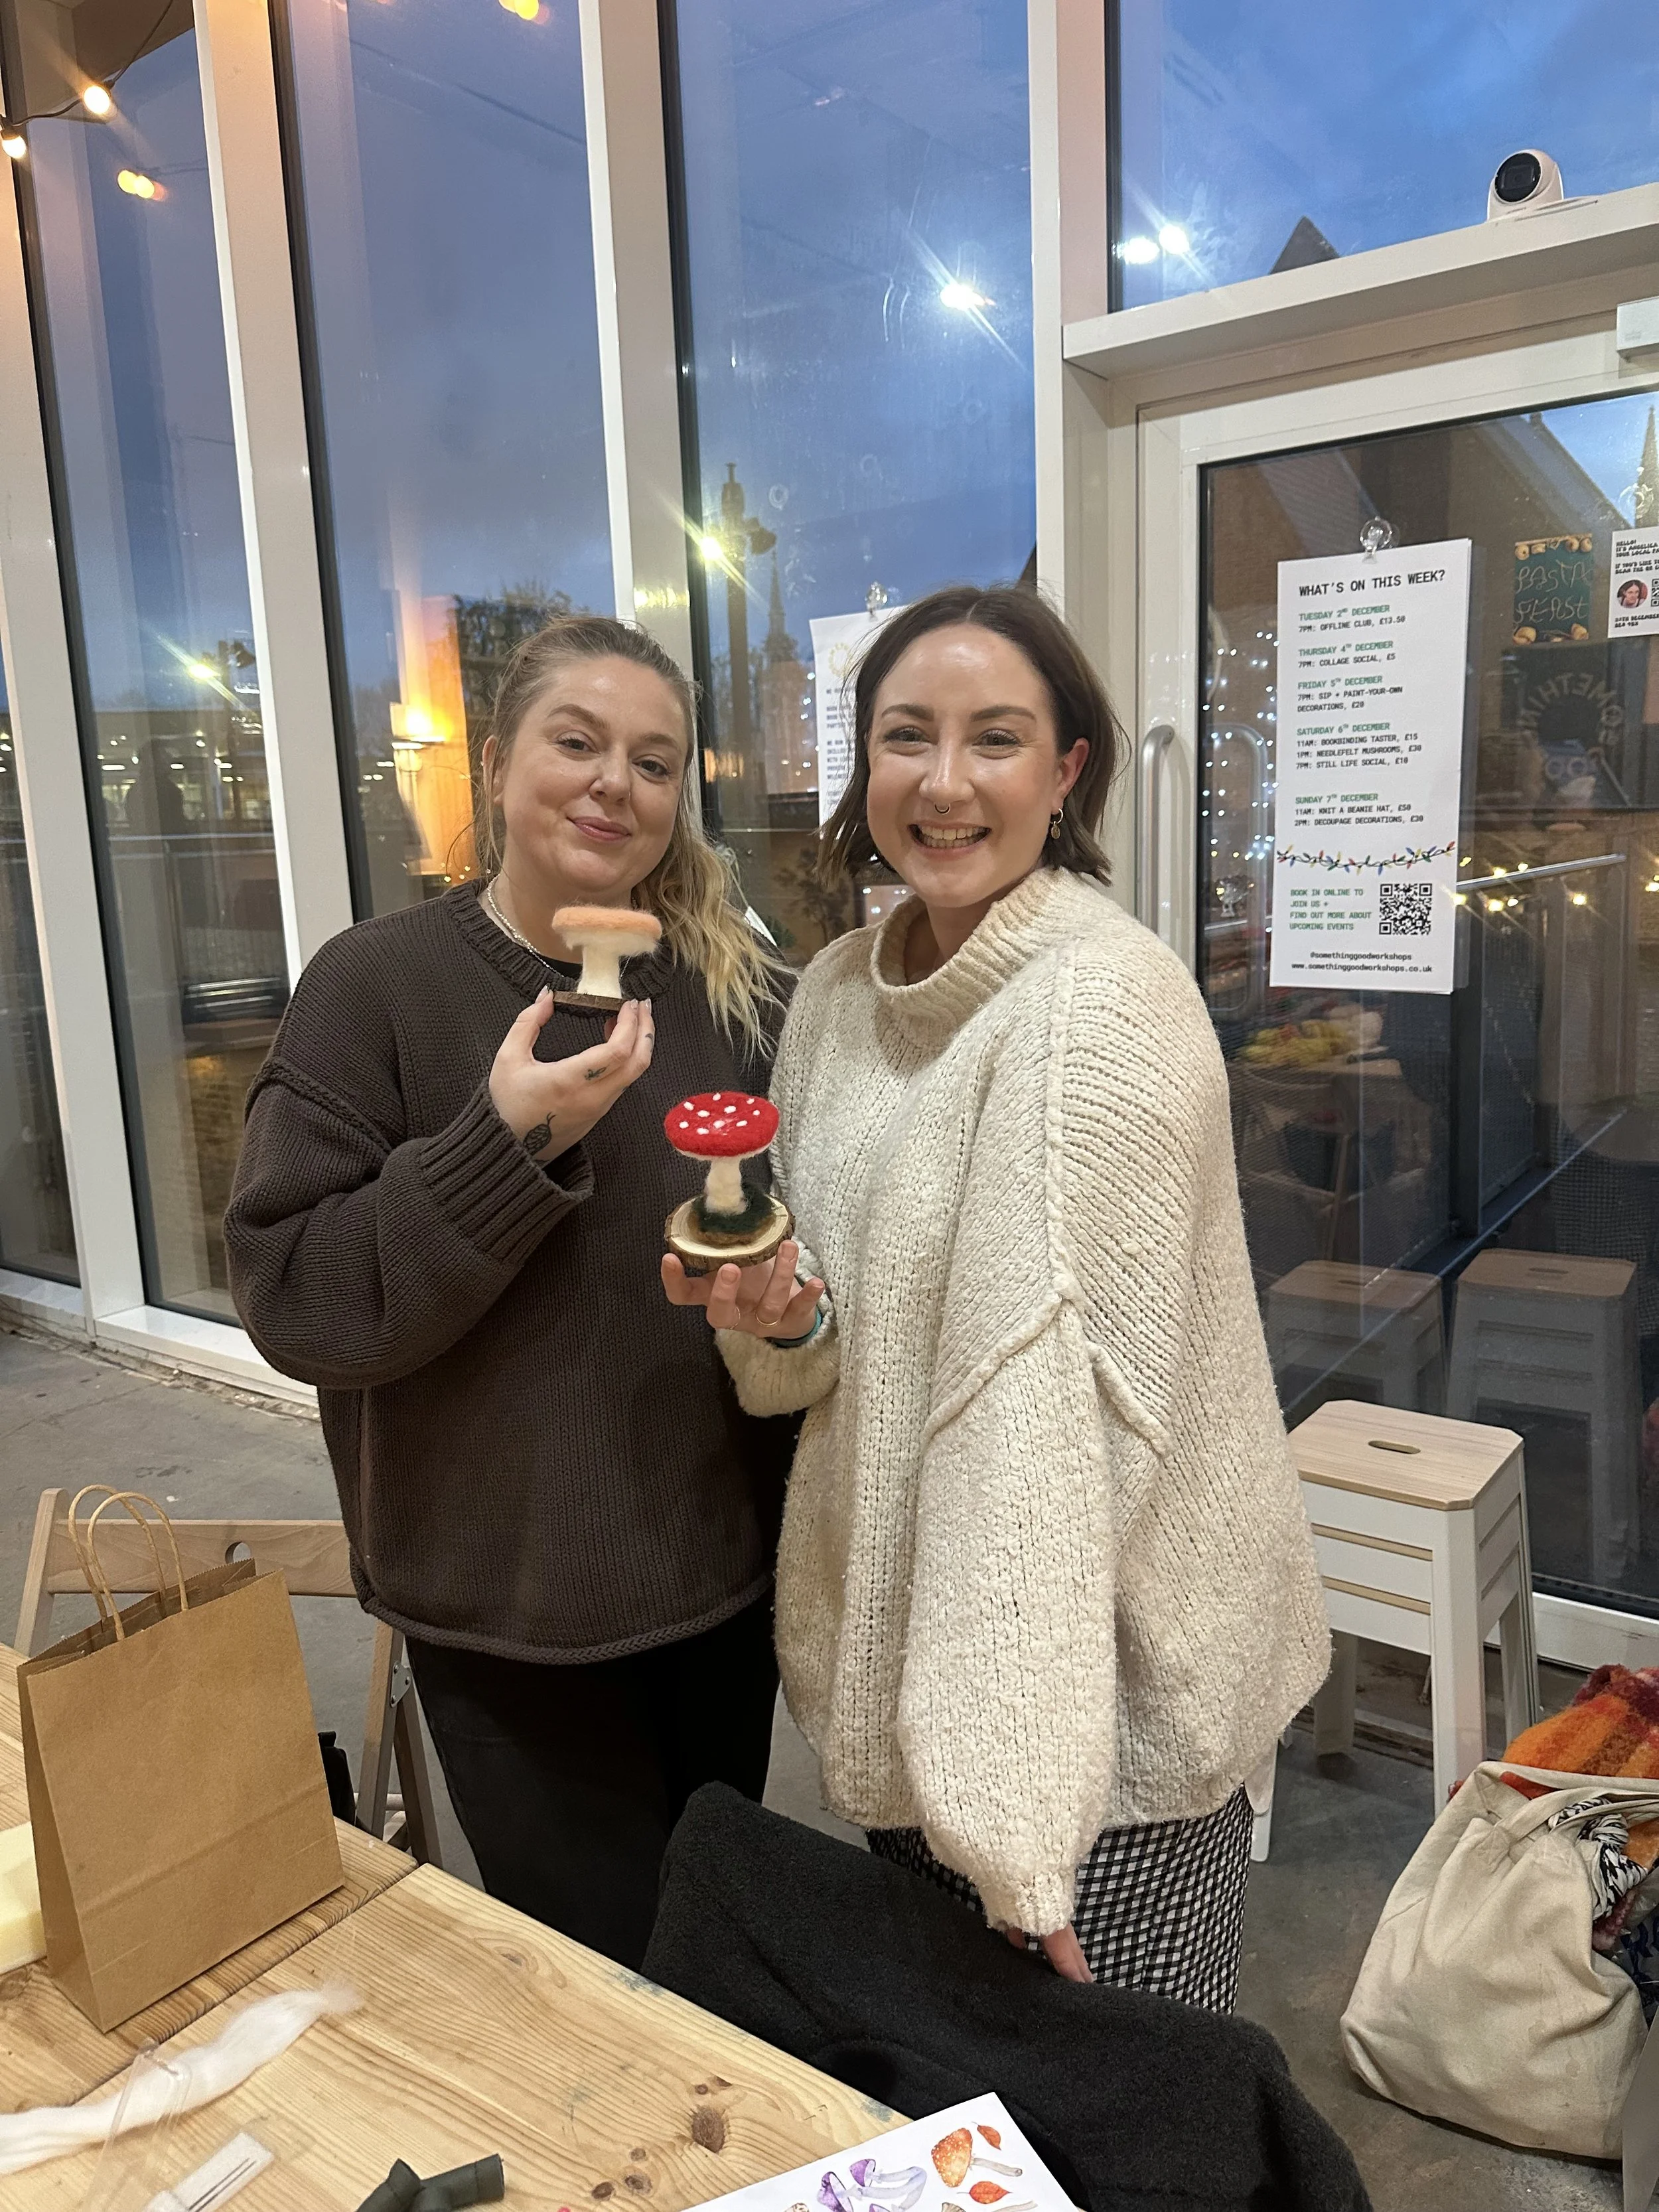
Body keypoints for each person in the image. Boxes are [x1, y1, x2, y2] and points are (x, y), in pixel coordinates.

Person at [665, 585, 1329, 2009]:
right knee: (963, 2099)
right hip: (927, 1697)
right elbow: (841, 1342)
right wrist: (782, 1317)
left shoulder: (1099, 1009)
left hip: (1096, 1738)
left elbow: (1042, 1439)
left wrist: (1019, 1845)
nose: (945, 783)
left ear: (1067, 769)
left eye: (997, 739)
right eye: (907, 735)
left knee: (1106, 2109)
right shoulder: (836, 997)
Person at [225, 615, 793, 1970]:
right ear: (496, 764)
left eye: (653, 762)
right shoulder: (375, 986)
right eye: (577, 742)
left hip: (717, 1585)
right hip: (503, 1610)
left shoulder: (731, 994)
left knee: (715, 1962)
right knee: (603, 1986)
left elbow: (782, 1263)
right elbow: (293, 1295)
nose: (615, 785)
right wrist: (502, 1141)